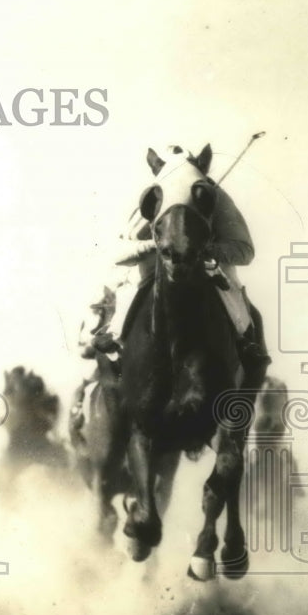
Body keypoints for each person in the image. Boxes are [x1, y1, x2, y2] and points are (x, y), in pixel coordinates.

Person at [70, 144, 270, 427]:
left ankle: (244, 357)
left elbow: (245, 250)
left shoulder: (217, 198)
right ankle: (114, 341)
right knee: (127, 290)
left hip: (208, 271)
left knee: (248, 319)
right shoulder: (154, 199)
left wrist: (206, 247)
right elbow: (119, 252)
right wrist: (156, 245)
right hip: (155, 272)